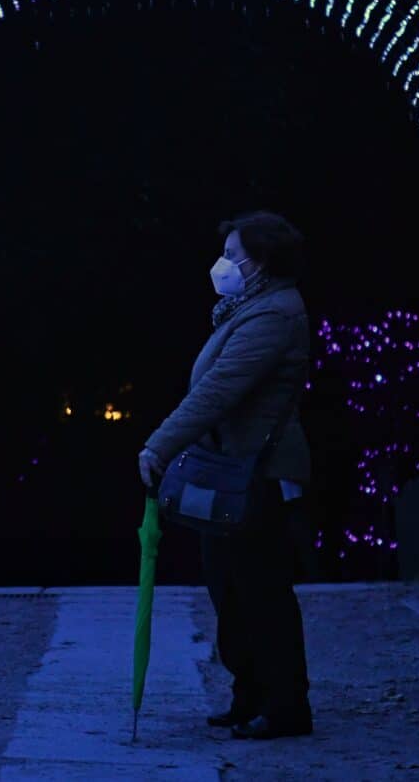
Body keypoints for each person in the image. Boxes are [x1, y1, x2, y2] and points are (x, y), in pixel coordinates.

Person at [136, 211, 313, 740]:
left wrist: (159, 446)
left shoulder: (273, 317)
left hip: (260, 472)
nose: (224, 265)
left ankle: (284, 706)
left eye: (234, 256)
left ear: (261, 263)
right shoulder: (247, 309)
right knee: (229, 590)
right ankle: (250, 695)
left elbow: (216, 392)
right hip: (232, 471)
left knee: (261, 591)